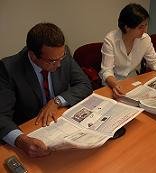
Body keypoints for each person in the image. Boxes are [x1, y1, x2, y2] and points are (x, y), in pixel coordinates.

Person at [0, 23, 93, 157]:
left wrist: (56, 101)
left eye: (61, 58)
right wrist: (21, 141)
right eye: (52, 61)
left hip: (59, 123)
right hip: (30, 129)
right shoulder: (8, 69)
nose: (59, 64)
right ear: (32, 56)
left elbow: (84, 84)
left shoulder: (60, 54)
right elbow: (1, 116)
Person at [99, 3, 156, 98]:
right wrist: (115, 85)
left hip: (132, 81)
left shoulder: (145, 39)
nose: (145, 30)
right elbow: (106, 71)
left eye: (146, 25)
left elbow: (154, 62)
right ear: (127, 27)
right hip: (112, 83)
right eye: (140, 27)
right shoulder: (111, 39)